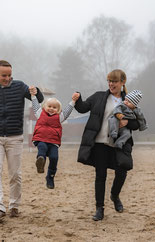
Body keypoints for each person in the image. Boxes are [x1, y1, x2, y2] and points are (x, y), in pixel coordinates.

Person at [0, 60, 44, 224]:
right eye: (4, 75)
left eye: (10, 75)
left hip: (15, 137)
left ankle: (14, 205)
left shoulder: (20, 87)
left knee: (15, 174)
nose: (7, 78)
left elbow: (38, 99)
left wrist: (36, 91)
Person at [73, 69, 139, 221]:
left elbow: (138, 123)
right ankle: (99, 209)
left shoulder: (128, 101)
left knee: (122, 171)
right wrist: (78, 98)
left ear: (122, 83)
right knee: (100, 175)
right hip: (100, 143)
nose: (111, 84)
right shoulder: (98, 97)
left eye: (114, 81)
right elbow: (83, 107)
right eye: (109, 81)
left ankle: (115, 196)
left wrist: (127, 121)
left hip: (119, 144)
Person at [30, 90, 79, 189]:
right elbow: (35, 106)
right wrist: (33, 96)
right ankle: (41, 161)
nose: (51, 109)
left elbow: (67, 111)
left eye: (54, 107)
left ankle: (50, 177)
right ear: (44, 107)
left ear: (58, 109)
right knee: (42, 147)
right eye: (49, 106)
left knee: (54, 158)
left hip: (53, 142)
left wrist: (73, 101)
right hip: (41, 139)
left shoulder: (60, 117)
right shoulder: (40, 113)